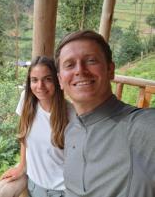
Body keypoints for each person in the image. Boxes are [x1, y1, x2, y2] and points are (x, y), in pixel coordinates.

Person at [55, 30, 155, 197]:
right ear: (60, 80)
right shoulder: (71, 130)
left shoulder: (139, 127)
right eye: (69, 65)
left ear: (110, 70)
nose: (80, 70)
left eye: (91, 61)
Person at [0, 56, 69, 197]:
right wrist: (21, 166)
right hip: (34, 187)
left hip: (63, 190)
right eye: (34, 80)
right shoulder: (26, 100)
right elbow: (24, 135)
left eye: (47, 79)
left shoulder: (71, 114)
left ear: (57, 81)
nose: (40, 86)